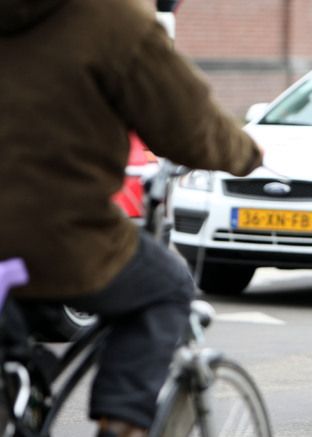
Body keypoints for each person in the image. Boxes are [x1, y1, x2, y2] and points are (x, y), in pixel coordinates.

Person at [0, 0, 263, 435]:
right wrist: (247, 152)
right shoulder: (110, 17)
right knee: (166, 286)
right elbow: (189, 123)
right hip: (54, 232)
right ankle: (119, 425)